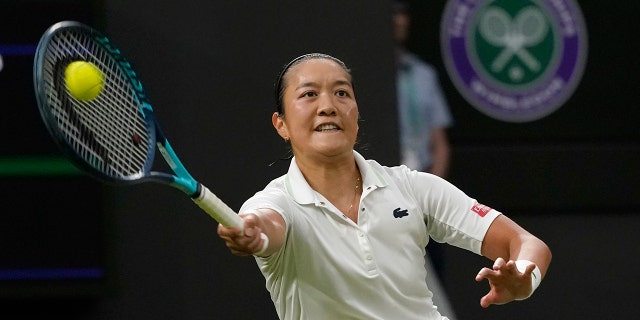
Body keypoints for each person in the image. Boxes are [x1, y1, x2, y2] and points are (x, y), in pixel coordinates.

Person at [217, 53, 552, 320]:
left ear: (356, 112)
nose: (328, 105)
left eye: (341, 92)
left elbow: (523, 242)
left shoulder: (411, 186)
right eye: (308, 94)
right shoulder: (276, 203)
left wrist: (524, 277)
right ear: (282, 125)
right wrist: (253, 234)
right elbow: (266, 226)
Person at [393, 0, 452, 178]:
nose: (399, 21)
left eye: (403, 14)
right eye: (393, 14)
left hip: (419, 178)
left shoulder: (424, 74)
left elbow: (440, 144)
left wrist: (432, 192)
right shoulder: (365, 74)